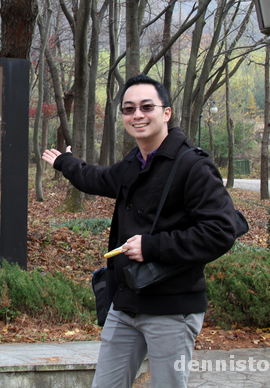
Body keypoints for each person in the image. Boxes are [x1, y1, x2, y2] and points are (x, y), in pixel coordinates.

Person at [42, 74, 237, 388]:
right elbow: (98, 178)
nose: (137, 115)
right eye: (129, 109)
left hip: (172, 308)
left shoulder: (193, 166)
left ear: (166, 113)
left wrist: (152, 247)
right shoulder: (135, 162)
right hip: (127, 301)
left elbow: (220, 232)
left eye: (147, 106)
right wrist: (65, 162)